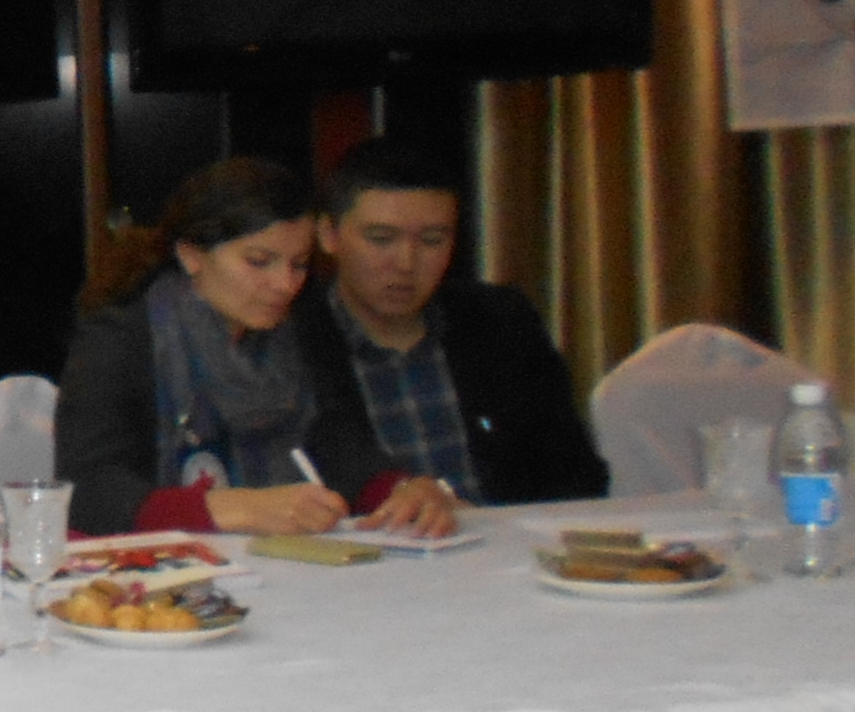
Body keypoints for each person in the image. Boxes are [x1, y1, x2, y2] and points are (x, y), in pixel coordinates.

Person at [56, 158, 458, 539]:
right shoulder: (120, 340)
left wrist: (399, 489)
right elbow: (89, 493)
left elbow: (338, 445)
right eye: (259, 261)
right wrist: (231, 507)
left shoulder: (302, 328)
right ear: (192, 255)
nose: (285, 285)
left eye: (299, 264)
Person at [291, 136, 607, 508]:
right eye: (381, 239)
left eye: (432, 240)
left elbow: (577, 477)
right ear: (328, 235)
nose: (406, 263)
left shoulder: (499, 322)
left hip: (502, 534)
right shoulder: (292, 338)